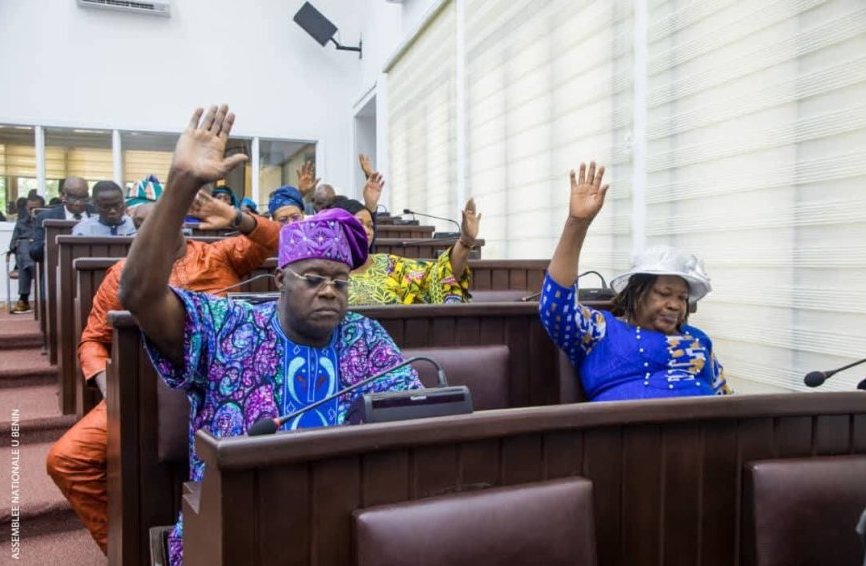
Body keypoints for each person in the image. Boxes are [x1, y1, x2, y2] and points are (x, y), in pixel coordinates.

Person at [117, 105, 422, 566]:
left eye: (340, 282)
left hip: (345, 530)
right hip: (236, 529)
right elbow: (138, 294)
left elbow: (412, 418)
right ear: (281, 280)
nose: (329, 291)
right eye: (314, 279)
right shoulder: (227, 325)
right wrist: (181, 184)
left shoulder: (365, 337)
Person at [45, 188, 282, 554]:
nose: (151, 230)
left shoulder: (218, 255)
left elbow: (280, 241)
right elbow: (92, 342)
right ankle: (127, 551)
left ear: (179, 223)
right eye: (142, 225)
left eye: (160, 220)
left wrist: (238, 218)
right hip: (143, 392)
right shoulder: (123, 275)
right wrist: (112, 391)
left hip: (227, 385)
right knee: (66, 459)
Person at [539, 161, 731, 401]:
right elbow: (556, 309)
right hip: (625, 425)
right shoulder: (601, 330)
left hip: (705, 424)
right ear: (636, 294)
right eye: (664, 293)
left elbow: (728, 401)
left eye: (682, 298)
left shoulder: (698, 339)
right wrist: (577, 224)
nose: (675, 305)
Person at [330, 167, 480, 305]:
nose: (367, 230)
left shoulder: (390, 266)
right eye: (359, 223)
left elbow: (441, 273)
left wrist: (465, 241)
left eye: (370, 226)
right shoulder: (324, 271)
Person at [29, 177, 95, 262]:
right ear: (63, 196)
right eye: (73, 198)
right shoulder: (46, 218)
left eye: (82, 198)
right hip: (57, 265)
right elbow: (34, 254)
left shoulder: (99, 214)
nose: (77, 203)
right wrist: (50, 240)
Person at [6, 194, 45, 313]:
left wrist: (31, 241)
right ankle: (31, 268)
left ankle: (23, 300)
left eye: (36, 209)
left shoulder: (46, 221)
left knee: (24, 257)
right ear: (26, 208)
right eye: (30, 208)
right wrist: (27, 241)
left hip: (43, 255)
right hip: (26, 256)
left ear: (42, 208)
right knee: (23, 246)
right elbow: (12, 245)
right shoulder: (21, 222)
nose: (32, 211)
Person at [72, 181, 136, 236]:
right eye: (106, 207)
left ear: (124, 203)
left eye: (117, 205)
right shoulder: (83, 230)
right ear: (95, 206)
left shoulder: (136, 227)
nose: (112, 211)